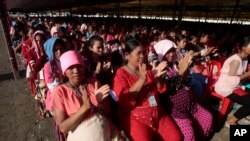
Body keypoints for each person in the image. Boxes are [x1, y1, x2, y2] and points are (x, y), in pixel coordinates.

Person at [113, 38, 182, 141]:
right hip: (136, 118)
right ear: (127, 55)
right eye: (138, 53)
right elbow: (125, 100)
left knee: (176, 137)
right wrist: (142, 78)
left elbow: (161, 89)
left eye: (143, 52)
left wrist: (158, 78)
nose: (142, 56)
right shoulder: (121, 74)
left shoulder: (148, 67)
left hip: (157, 113)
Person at [51, 51, 122, 141]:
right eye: (71, 67)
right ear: (65, 72)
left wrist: (100, 102)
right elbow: (63, 128)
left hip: (107, 135)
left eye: (78, 66)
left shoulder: (94, 83)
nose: (76, 70)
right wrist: (85, 108)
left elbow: (108, 113)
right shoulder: (59, 92)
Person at [154, 39, 213, 141]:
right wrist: (181, 72)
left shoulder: (175, 64)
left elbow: (187, 81)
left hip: (191, 104)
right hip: (175, 110)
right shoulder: (158, 70)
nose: (172, 54)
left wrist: (185, 72)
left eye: (173, 51)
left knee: (208, 118)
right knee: (188, 135)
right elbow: (168, 89)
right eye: (168, 52)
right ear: (162, 52)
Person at [215, 36, 250, 126]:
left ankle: (244, 113)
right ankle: (231, 121)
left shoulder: (245, 59)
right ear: (243, 47)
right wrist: (247, 74)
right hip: (226, 88)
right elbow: (231, 82)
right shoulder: (236, 61)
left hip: (235, 86)